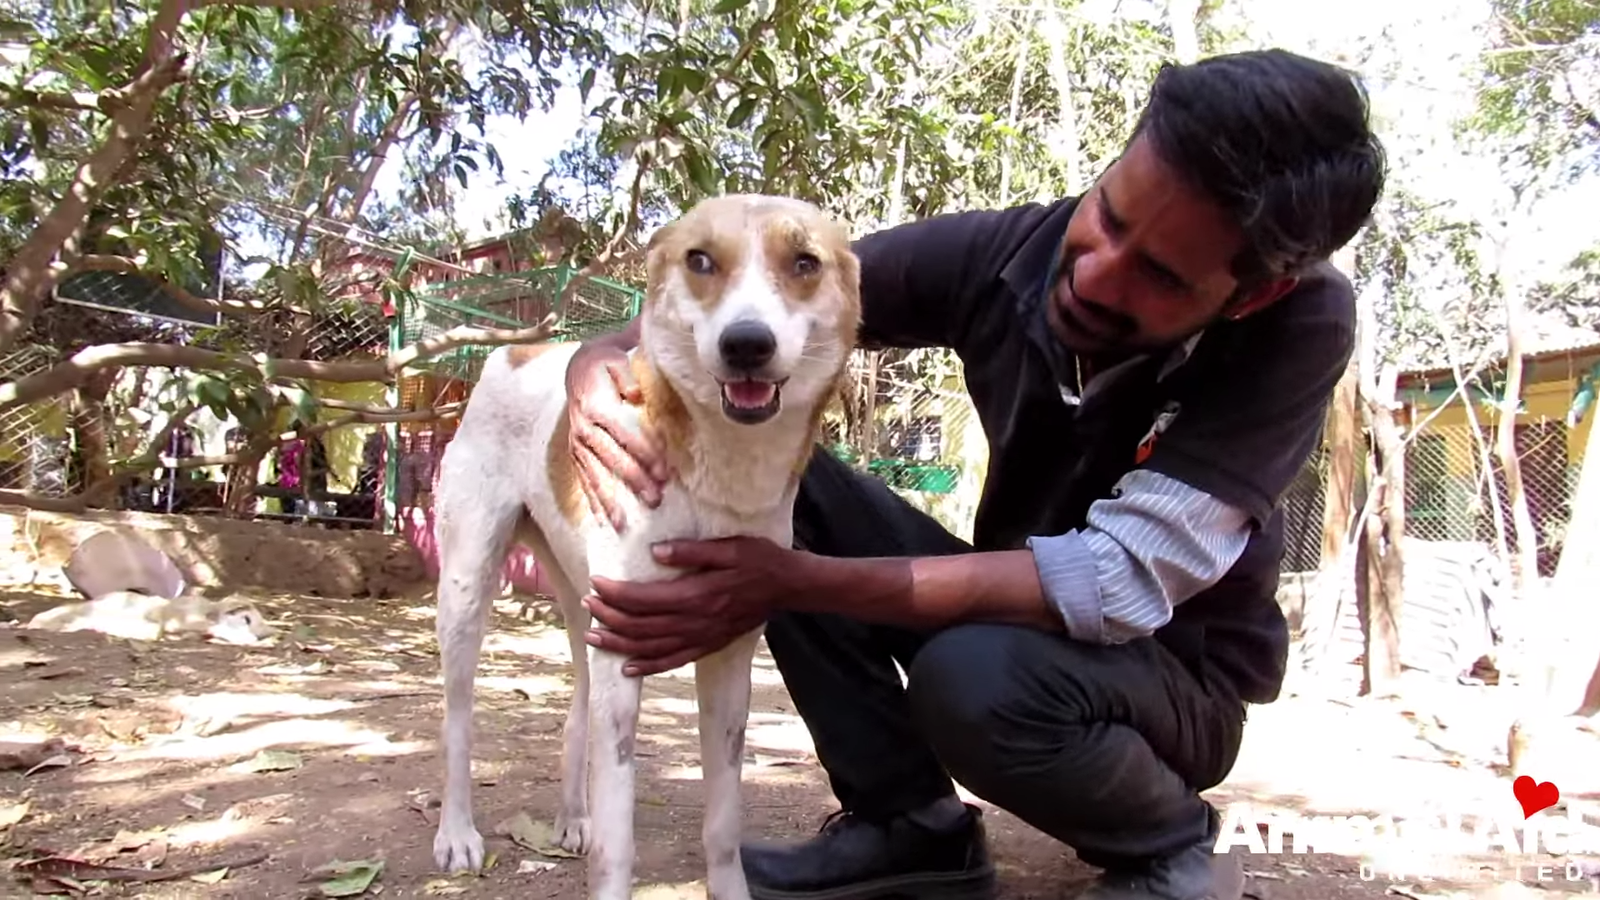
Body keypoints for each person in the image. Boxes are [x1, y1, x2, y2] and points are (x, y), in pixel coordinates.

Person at [561, 48, 1385, 900]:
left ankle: (1175, 843)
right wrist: (592, 359)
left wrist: (791, 582)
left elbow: (1117, 579)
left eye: (1161, 276)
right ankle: (910, 826)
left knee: (975, 680)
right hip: (1008, 614)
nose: (1097, 271)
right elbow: (789, 301)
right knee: (780, 485)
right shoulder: (1009, 251)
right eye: (1108, 213)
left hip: (1170, 675)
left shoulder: (1298, 327)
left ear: (1250, 297)